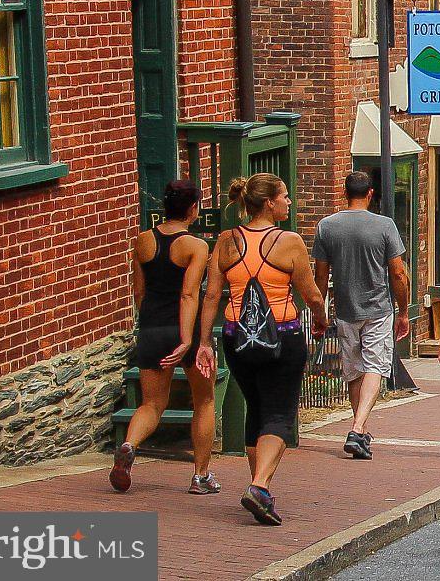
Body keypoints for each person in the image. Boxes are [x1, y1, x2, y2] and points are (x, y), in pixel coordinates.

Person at [195, 174, 324, 527]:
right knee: (280, 414)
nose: (289, 202)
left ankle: (261, 491)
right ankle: (259, 484)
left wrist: (205, 342)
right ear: (269, 202)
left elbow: (210, 295)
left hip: (236, 337)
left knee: (256, 410)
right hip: (280, 335)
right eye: (285, 196)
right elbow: (311, 293)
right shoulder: (289, 241)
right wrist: (322, 318)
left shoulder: (226, 240)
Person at [112, 180, 218, 495]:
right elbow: (189, 294)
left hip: (152, 328)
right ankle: (200, 477)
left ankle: (129, 444)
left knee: (151, 404)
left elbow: (139, 291)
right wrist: (189, 340)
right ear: (193, 208)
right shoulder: (196, 246)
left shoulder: (143, 241)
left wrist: (150, 326)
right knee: (205, 399)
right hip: (186, 330)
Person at [310, 171, 410, 459]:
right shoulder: (384, 226)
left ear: (344, 193)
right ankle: (356, 428)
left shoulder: (327, 227)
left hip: (345, 309)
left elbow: (320, 275)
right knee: (375, 367)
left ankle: (361, 432)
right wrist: (403, 312)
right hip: (378, 309)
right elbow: (398, 273)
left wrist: (320, 313)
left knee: (353, 370)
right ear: (370, 194)